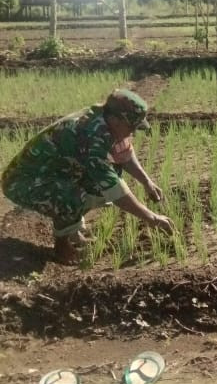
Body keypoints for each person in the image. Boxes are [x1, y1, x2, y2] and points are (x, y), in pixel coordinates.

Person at [2, 88, 174, 263]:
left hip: (55, 173)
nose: (133, 132)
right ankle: (62, 247)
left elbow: (125, 152)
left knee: (98, 182)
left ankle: (73, 231)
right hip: (23, 182)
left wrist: (147, 182)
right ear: (115, 120)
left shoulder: (108, 121)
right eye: (131, 127)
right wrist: (152, 218)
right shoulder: (91, 134)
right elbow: (114, 190)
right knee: (73, 196)